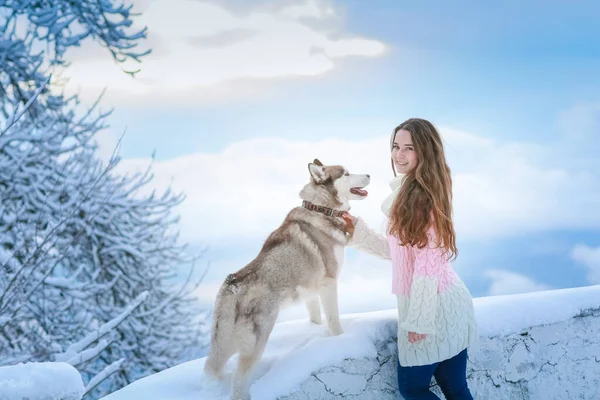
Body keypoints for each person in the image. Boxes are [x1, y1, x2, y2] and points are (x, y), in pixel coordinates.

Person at [343, 118, 477, 400]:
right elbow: (401, 253)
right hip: (450, 303)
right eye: (396, 146)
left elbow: (428, 264)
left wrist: (419, 320)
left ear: (424, 152)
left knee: (413, 389)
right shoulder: (415, 190)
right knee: (455, 388)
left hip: (433, 309)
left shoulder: (420, 198)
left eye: (409, 148)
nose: (399, 155)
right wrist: (358, 231)